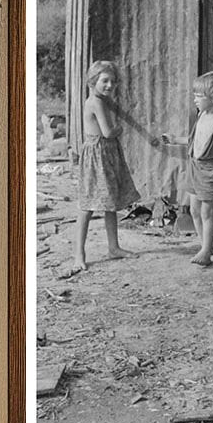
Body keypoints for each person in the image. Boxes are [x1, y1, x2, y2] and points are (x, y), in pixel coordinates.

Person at [161, 71, 213, 267]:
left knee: (207, 212)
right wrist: (175, 140)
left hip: (210, 171)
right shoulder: (202, 114)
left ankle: (206, 251)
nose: (195, 99)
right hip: (194, 168)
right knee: (194, 210)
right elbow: (195, 139)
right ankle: (205, 245)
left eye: (199, 96)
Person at [71, 60, 139, 274]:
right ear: (92, 82)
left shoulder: (101, 100)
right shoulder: (96, 102)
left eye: (113, 81)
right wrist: (120, 129)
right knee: (88, 205)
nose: (110, 85)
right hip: (97, 154)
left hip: (106, 153)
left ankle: (114, 247)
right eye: (105, 81)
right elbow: (108, 132)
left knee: (110, 201)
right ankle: (78, 255)